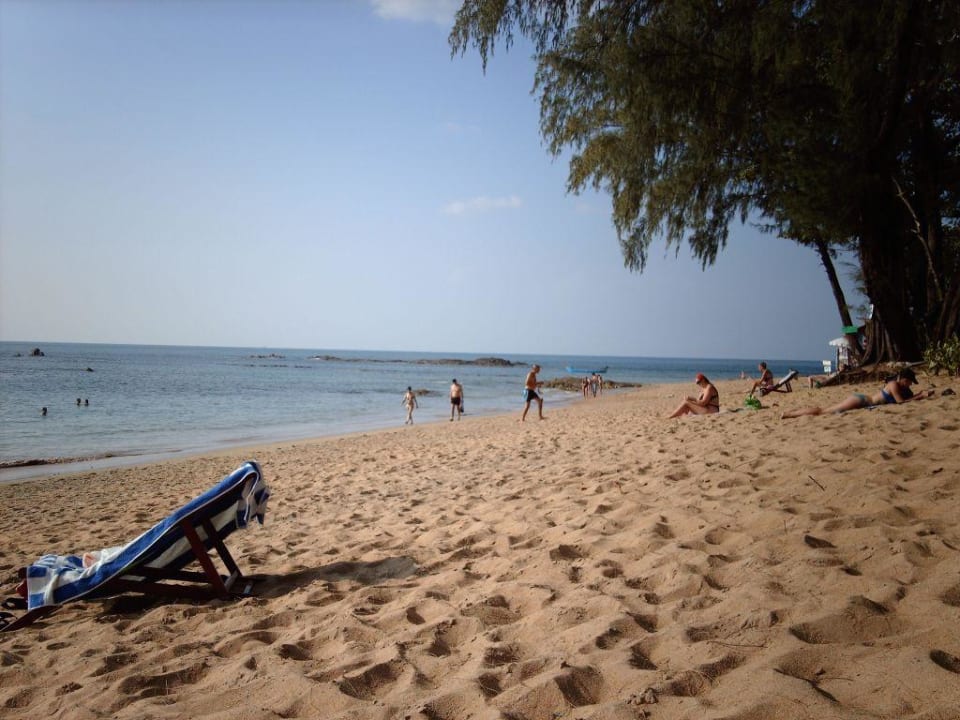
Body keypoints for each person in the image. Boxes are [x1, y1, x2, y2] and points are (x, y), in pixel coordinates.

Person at [782, 368, 934, 418]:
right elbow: (900, 402)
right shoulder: (893, 384)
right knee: (823, 411)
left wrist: (918, 395)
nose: (909, 385)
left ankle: (791, 413)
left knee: (825, 411)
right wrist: (919, 396)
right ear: (903, 378)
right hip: (861, 400)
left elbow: (906, 398)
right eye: (908, 381)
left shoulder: (902, 388)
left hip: (863, 401)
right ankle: (789, 414)